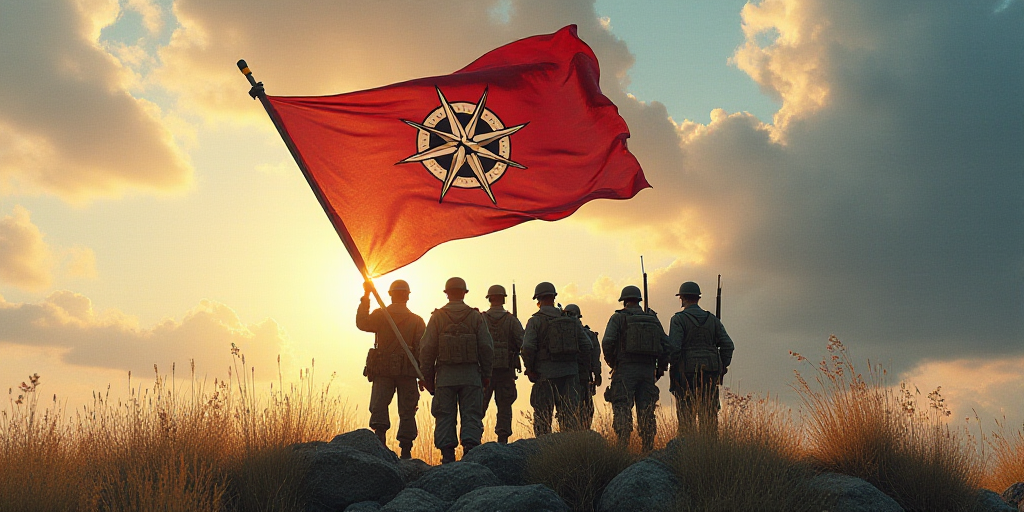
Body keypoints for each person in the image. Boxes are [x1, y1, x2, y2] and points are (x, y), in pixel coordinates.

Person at [418, 277, 494, 463]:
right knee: (472, 414)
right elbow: (486, 347)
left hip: (445, 377)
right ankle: (470, 452)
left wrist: (427, 376)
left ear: (447, 293)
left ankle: (447, 456)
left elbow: (426, 348)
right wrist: (486, 374)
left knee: (444, 415)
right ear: (464, 293)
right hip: (471, 376)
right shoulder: (476, 317)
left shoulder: (437, 317)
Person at [356, 279, 426, 459]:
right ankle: (406, 451)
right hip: (408, 373)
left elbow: (362, 322)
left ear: (390, 295)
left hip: (384, 372)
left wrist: (366, 296)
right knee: (408, 411)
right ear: (407, 297)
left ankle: (380, 445)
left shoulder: (380, 315)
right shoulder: (417, 321)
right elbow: (422, 350)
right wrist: (423, 376)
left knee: (379, 406)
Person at [601, 285, 669, 451]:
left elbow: (607, 342)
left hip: (625, 370)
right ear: (639, 300)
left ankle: (622, 446)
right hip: (647, 371)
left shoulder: (618, 318)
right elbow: (666, 344)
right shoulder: (652, 319)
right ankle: (648, 448)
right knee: (647, 409)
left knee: (622, 406)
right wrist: (660, 368)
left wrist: (613, 363)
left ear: (624, 300)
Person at [521, 282, 593, 436]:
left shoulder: (535, 321)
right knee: (570, 417)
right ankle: (569, 447)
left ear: (538, 299)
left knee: (543, 417)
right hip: (570, 374)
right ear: (554, 297)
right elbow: (587, 345)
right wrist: (579, 368)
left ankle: (544, 448)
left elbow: (527, 347)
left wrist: (530, 369)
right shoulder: (571, 320)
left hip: (544, 374)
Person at [668, 281, 734, 436]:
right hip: (710, 372)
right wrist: (721, 366)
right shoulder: (713, 320)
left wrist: (673, 365)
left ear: (682, 298)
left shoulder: (678, 319)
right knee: (709, 415)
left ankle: (687, 446)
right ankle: (709, 446)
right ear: (698, 298)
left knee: (686, 415)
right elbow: (728, 345)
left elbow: (674, 348)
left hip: (686, 374)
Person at [480, 284, 524, 444]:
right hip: (506, 371)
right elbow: (523, 343)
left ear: (489, 299)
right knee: (505, 406)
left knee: (478, 407)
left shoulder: (481, 319)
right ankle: (503, 440)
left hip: (484, 372)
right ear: (504, 299)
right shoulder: (512, 320)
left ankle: (473, 440)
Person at [564, 304, 602, 429]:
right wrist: (597, 375)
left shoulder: (562, 334)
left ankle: (569, 432)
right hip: (584, 376)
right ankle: (584, 432)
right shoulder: (589, 335)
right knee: (586, 408)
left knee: (568, 407)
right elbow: (595, 357)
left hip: (567, 375)